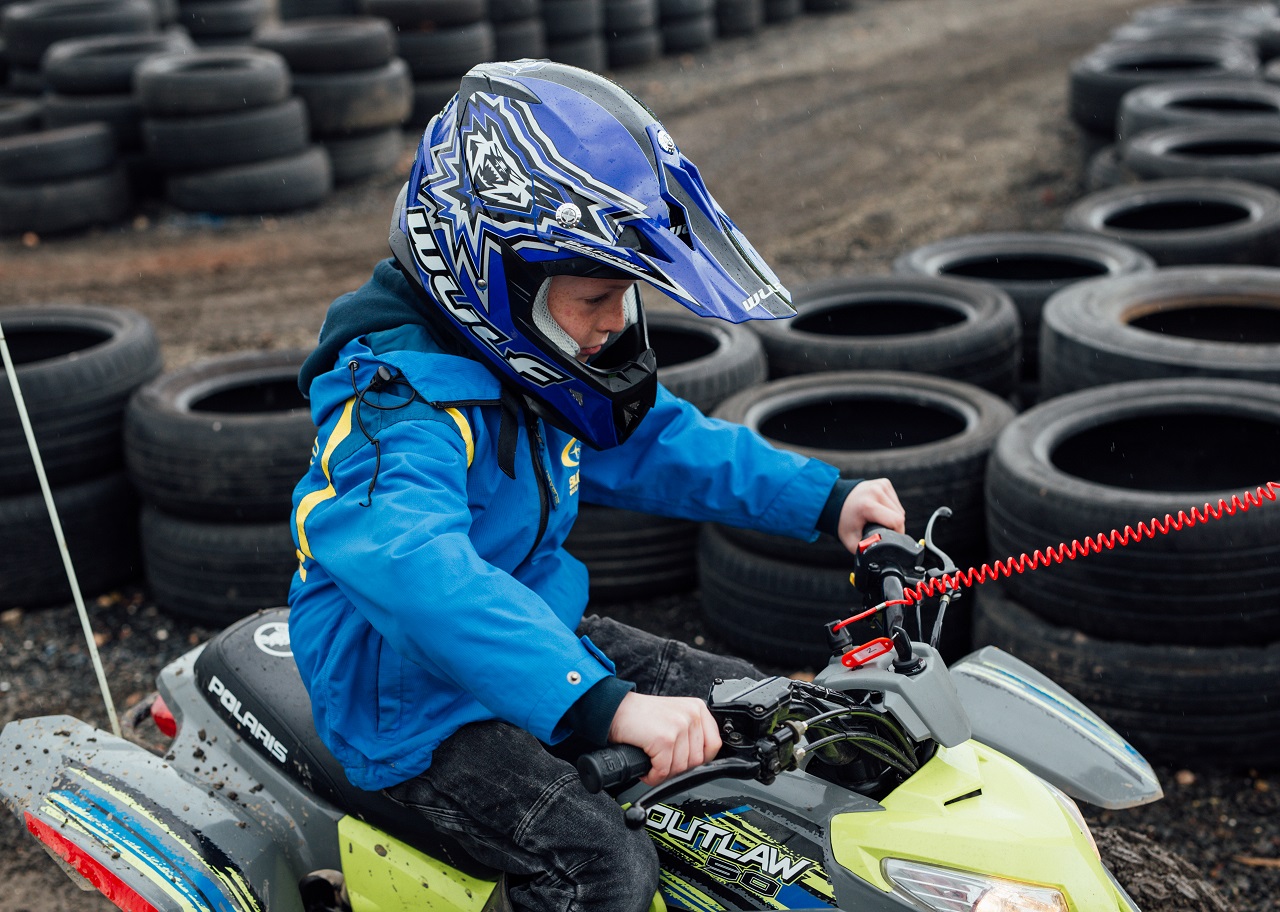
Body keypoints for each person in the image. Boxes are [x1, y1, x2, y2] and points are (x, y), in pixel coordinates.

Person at [287, 60, 906, 912]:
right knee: (601, 871)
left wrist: (827, 500)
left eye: (624, 296)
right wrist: (600, 706)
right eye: (596, 298)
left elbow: (658, 443)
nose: (615, 321)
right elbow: (419, 573)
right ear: (490, 279)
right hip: (410, 704)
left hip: (533, 636)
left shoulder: (534, 367)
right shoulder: (397, 412)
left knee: (772, 713)